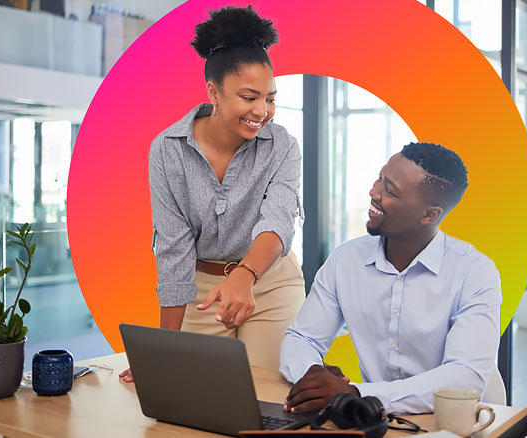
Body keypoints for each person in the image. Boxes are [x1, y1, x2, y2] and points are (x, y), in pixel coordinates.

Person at [120, 6, 305, 381]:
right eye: (250, 97)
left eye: (270, 98)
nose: (262, 110)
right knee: (193, 389)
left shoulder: (282, 145)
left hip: (269, 282)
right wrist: (163, 351)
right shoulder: (167, 149)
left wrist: (246, 275)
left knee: (265, 390)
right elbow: (174, 247)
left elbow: (279, 220)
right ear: (213, 92)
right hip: (203, 289)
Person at [278, 142, 502, 414]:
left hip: (453, 423)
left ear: (429, 215)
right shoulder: (346, 260)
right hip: (374, 422)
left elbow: (464, 376)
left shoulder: (474, 273)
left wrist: (358, 393)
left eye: (390, 191)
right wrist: (313, 375)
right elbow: (302, 338)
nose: (374, 192)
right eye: (380, 178)